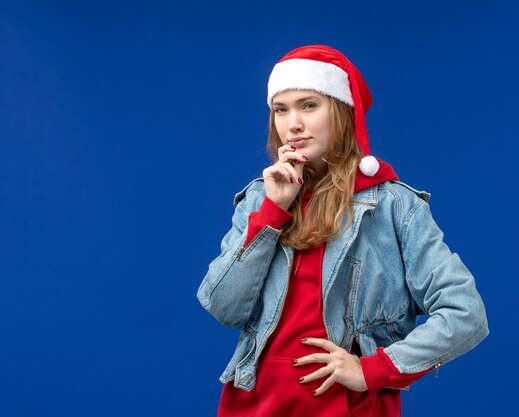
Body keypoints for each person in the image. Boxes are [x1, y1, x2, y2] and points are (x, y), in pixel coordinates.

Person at [196, 45, 489, 417]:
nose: (293, 124)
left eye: (308, 105)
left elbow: (465, 313)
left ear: (342, 113)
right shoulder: (261, 199)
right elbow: (224, 307)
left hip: (346, 407)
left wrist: (374, 369)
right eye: (281, 110)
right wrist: (273, 211)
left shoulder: (393, 206)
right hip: (254, 403)